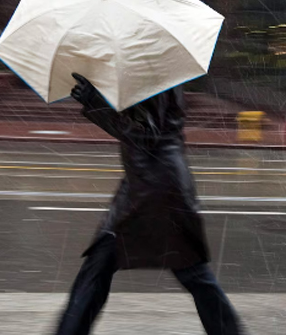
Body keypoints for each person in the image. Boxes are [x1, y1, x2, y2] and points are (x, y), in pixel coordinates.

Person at [55, 73, 244, 335]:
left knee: (188, 271)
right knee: (102, 267)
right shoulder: (152, 69)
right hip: (146, 184)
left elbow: (144, 134)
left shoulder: (150, 72)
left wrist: (96, 103)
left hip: (157, 190)